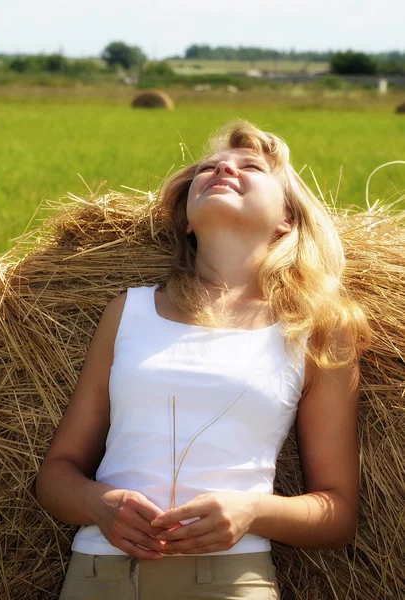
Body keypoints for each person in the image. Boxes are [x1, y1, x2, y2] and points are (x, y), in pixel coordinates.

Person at [35, 119, 371, 600]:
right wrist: (99, 503)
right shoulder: (127, 312)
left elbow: (337, 514)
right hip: (97, 576)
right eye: (209, 167)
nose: (222, 170)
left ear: (286, 220)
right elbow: (55, 475)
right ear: (188, 219)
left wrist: (253, 512)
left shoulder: (316, 328)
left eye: (250, 166)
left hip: (231, 582)